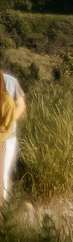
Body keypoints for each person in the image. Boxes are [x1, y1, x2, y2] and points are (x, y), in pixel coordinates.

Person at [0, 69, 22, 204]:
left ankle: (3, 212)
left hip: (7, 137)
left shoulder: (10, 81)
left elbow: (20, 105)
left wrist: (7, 122)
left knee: (2, 173)